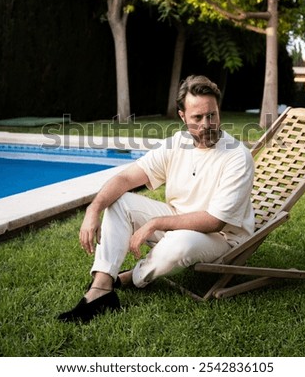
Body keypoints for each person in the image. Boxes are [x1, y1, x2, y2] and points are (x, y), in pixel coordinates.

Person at [58, 75, 255, 322]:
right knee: (119, 201)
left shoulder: (237, 156)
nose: (207, 124)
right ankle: (101, 287)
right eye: (197, 117)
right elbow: (125, 179)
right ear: (183, 116)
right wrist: (93, 209)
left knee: (181, 243)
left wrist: (156, 223)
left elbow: (214, 221)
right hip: (178, 220)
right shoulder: (176, 144)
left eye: (212, 115)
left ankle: (133, 277)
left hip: (222, 237)